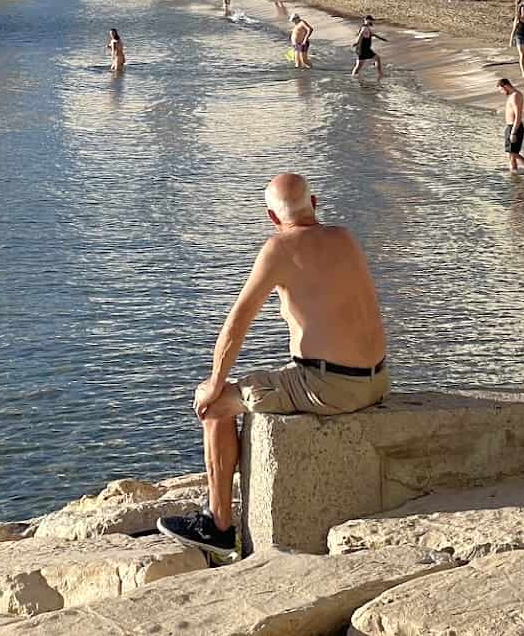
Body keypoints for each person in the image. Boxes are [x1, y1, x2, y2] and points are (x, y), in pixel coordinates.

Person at [156, 173, 387, 558]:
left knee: (215, 407)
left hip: (332, 388)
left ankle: (217, 525)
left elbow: (237, 323)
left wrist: (215, 382)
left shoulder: (279, 248)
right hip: (377, 381)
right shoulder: (344, 237)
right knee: (272, 377)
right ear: (314, 203)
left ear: (271, 217)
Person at [497, 78, 524, 172]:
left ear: (505, 86)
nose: (501, 92)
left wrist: (513, 132)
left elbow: (518, 115)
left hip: (514, 127)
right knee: (511, 154)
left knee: (513, 154)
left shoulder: (515, 96)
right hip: (510, 127)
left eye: (501, 90)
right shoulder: (512, 95)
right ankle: (514, 174)